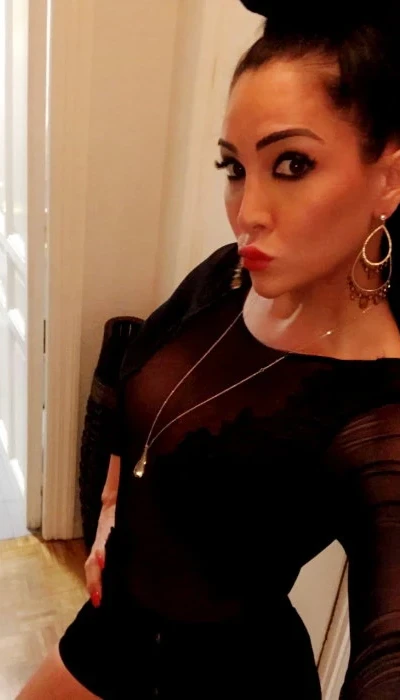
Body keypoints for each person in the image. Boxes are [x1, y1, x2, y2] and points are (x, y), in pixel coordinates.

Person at [18, 1, 400, 698]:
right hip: (111, 629)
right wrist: (110, 509)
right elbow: (131, 372)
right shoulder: (228, 277)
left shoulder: (378, 411)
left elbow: (389, 646)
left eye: (292, 164)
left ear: (389, 177)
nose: (247, 212)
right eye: (234, 167)